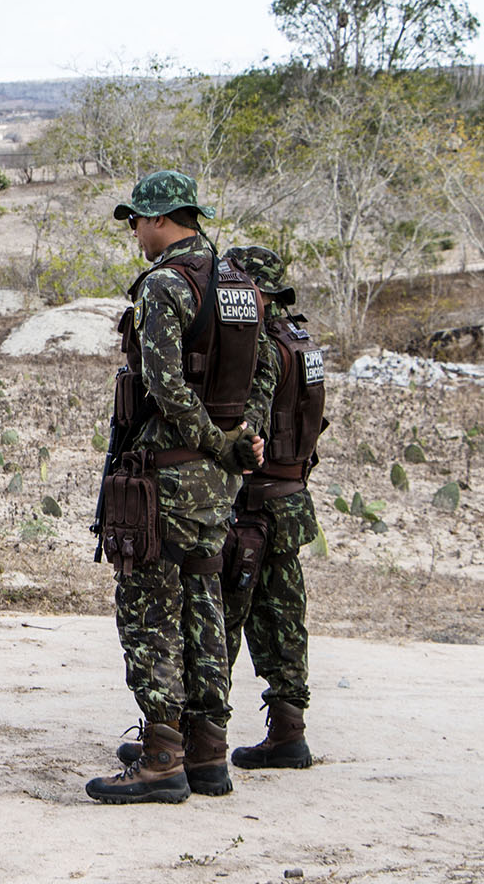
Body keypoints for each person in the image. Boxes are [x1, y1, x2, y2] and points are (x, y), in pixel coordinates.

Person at [86, 170, 273, 804]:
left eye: (137, 220)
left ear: (162, 219)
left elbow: (165, 384)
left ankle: (162, 754)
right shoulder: (239, 287)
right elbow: (256, 374)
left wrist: (214, 439)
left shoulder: (166, 284)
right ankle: (208, 749)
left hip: (167, 471)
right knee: (205, 602)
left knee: (150, 607)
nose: (135, 231)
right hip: (215, 482)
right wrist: (236, 440)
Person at [217, 246, 322, 771]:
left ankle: (196, 733)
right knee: (284, 618)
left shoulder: (260, 348)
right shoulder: (302, 342)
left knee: (220, 618)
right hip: (293, 500)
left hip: (255, 507)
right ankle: (289, 729)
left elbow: (248, 422)